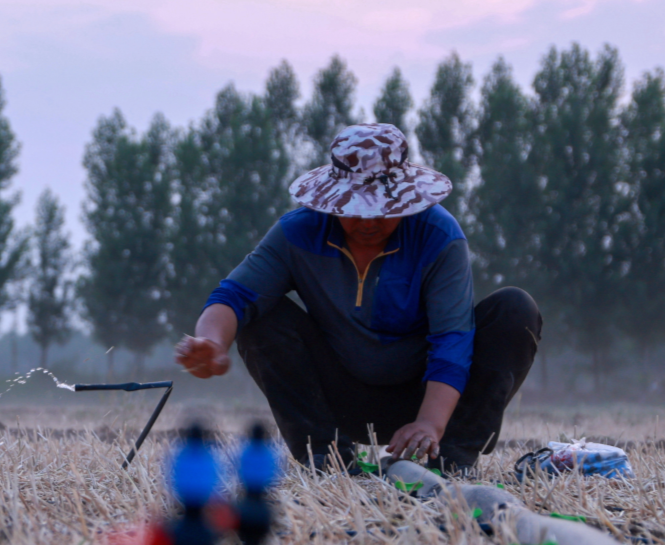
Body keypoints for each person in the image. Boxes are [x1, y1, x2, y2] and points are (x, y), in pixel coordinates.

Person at [174, 123, 541, 473]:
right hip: (338, 394)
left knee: (515, 309)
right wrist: (212, 341)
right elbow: (235, 295)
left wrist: (430, 422)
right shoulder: (297, 232)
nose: (369, 222)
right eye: (355, 210)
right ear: (333, 201)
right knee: (260, 319)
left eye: (383, 210)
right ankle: (325, 455)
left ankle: (451, 458)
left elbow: (452, 339)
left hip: (427, 393)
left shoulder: (439, 235)